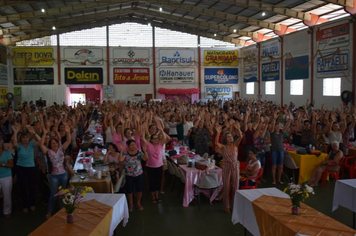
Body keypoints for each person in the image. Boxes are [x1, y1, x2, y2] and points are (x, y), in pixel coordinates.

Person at [37, 123, 72, 219]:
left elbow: (68, 140)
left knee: (63, 193)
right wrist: (44, 134)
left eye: (56, 143)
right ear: (50, 145)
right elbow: (40, 144)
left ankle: (63, 210)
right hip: (53, 176)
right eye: (53, 143)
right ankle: (50, 211)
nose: (55, 144)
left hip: (63, 174)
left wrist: (68, 132)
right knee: (54, 194)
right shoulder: (47, 152)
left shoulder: (61, 149)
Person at [215, 120, 243, 214]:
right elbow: (216, 143)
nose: (230, 138)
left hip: (235, 167)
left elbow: (241, 137)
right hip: (226, 167)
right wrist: (218, 133)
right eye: (228, 137)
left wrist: (238, 129)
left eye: (231, 136)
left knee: (236, 187)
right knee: (226, 187)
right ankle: (227, 206)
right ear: (225, 139)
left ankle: (236, 205)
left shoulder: (235, 145)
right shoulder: (223, 147)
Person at [11, 124, 39, 214]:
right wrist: (16, 132)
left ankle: (32, 204)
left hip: (30, 167)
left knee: (31, 186)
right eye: (23, 138)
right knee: (22, 186)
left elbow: (41, 141)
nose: (25, 139)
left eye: (26, 137)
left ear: (28, 138)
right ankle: (24, 205)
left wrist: (34, 133)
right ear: (20, 139)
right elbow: (14, 142)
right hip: (20, 168)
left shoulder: (31, 144)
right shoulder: (19, 145)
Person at [142, 119, 170, 203]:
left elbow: (165, 137)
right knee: (151, 181)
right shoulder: (148, 144)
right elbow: (143, 138)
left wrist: (161, 129)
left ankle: (157, 196)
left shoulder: (160, 145)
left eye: (156, 138)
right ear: (151, 139)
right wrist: (144, 130)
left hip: (159, 166)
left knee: (157, 181)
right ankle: (153, 196)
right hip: (150, 166)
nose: (156, 140)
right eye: (154, 138)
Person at [119, 139, 148, 211]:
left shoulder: (139, 153)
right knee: (129, 190)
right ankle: (131, 205)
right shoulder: (125, 154)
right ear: (128, 146)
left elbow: (145, 158)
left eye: (134, 144)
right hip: (129, 175)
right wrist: (121, 151)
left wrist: (145, 151)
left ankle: (138, 203)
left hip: (139, 174)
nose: (133, 146)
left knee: (139, 189)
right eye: (131, 145)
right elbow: (120, 160)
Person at [270, 111, 292, 185]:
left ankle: (279, 179)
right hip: (274, 151)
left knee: (280, 166)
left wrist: (290, 120)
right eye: (276, 126)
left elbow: (286, 126)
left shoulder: (282, 132)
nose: (277, 127)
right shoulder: (272, 132)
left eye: (278, 126)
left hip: (281, 150)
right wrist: (274, 119)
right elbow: (272, 126)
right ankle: (273, 180)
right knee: (274, 166)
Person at [0, 140, 14, 218]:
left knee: (7, 194)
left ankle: (7, 211)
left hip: (6, 176)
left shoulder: (7, 153)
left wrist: (2, 164)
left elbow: (11, 165)